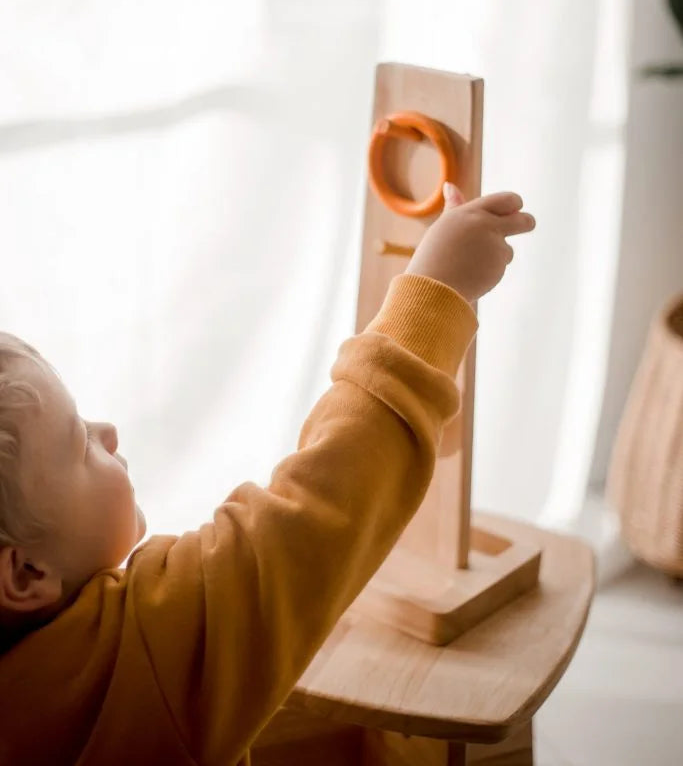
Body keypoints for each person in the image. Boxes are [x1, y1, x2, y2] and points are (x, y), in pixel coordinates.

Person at [0, 184, 535, 765]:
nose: (108, 433)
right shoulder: (150, 643)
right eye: (81, 445)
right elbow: (317, 510)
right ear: (26, 572)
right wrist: (435, 294)